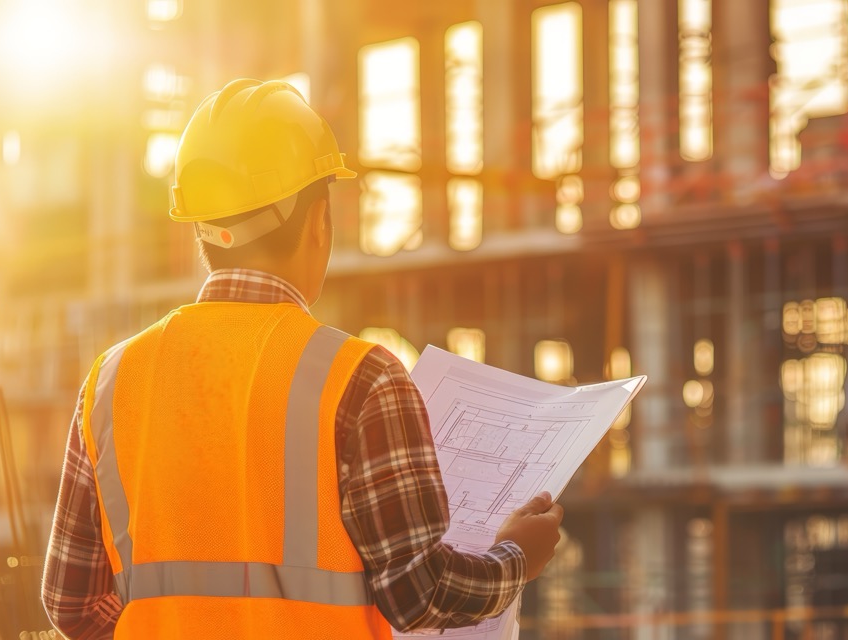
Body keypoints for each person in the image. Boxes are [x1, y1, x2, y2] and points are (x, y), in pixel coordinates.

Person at [41, 78, 564, 638]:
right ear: (319, 223)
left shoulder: (112, 380)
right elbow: (419, 593)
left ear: (203, 232)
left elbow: (69, 601)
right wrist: (516, 558)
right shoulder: (361, 379)